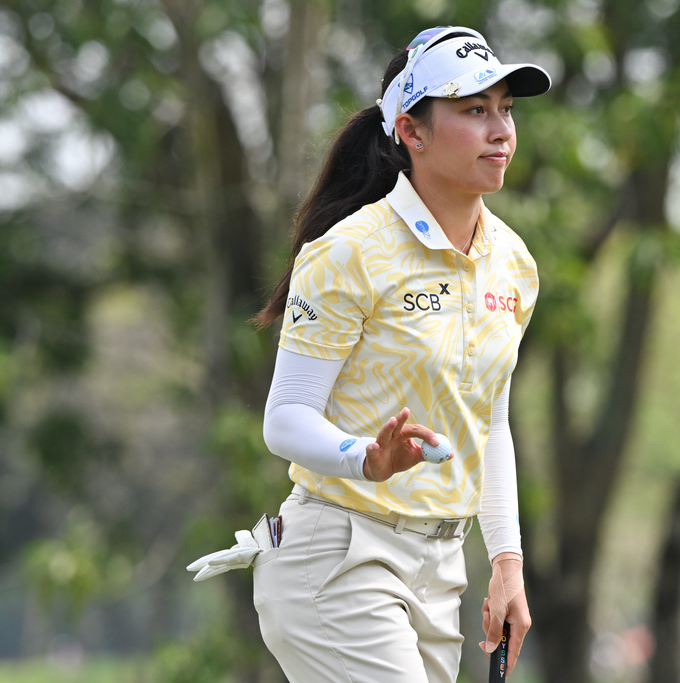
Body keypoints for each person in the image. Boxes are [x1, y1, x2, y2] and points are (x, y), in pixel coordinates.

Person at [248, 25, 551, 682]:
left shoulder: (514, 265)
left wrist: (506, 562)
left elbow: (489, 423)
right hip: (335, 555)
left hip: (441, 571)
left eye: (505, 109)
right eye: (474, 111)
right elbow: (285, 418)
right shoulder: (349, 252)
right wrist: (366, 455)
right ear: (411, 132)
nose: (501, 130)